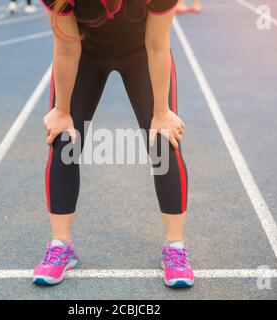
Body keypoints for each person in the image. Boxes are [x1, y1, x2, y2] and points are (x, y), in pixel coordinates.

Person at [33, 0, 194, 288]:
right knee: (64, 139)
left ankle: (175, 248)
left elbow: (157, 46)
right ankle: (61, 245)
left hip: (142, 53)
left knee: (163, 140)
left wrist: (161, 113)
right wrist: (62, 111)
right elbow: (67, 48)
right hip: (85, 55)